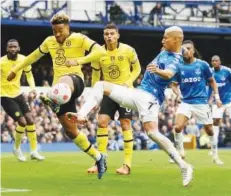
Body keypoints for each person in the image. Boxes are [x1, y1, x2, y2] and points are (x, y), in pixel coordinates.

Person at [66, 26, 194, 187]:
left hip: (150, 98)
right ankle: (82, 115)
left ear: (175, 40)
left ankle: (184, 166)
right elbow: (180, 44)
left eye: (165, 37)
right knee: (100, 85)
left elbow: (169, 73)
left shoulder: (175, 59)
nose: (162, 40)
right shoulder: (170, 49)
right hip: (139, 94)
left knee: (152, 133)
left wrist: (159, 71)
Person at [7, 13, 107, 179]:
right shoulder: (49, 41)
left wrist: (80, 60)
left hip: (75, 82)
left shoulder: (79, 38)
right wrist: (15, 69)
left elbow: (100, 52)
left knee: (62, 84)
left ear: (67, 27)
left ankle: (53, 99)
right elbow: (33, 56)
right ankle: (98, 157)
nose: (57, 34)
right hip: (60, 90)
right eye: (55, 31)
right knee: (70, 130)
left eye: (60, 30)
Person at [86, 24, 141, 175]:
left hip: (125, 92)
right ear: (103, 36)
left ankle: (127, 165)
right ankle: (100, 162)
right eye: (106, 34)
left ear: (117, 35)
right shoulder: (98, 53)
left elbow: (137, 69)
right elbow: (96, 76)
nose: (109, 36)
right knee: (102, 121)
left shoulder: (128, 50)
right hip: (109, 92)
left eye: (112, 33)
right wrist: (94, 95)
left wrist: (129, 82)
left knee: (125, 124)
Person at [170, 40, 224, 165]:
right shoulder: (178, 66)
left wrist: (217, 97)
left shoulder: (202, 65)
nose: (186, 51)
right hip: (186, 102)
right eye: (183, 49)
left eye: (189, 48)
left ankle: (215, 156)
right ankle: (180, 153)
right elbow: (174, 85)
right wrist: (177, 94)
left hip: (201, 102)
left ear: (193, 50)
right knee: (177, 127)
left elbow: (212, 82)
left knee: (209, 130)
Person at [1, 39, 44, 161]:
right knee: (22, 122)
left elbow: (29, 75)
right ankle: (16, 148)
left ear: (18, 48)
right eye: (10, 47)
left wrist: (33, 89)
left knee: (30, 119)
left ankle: (34, 151)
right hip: (4, 96)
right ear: (7, 49)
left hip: (18, 94)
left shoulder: (24, 60)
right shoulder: (1, 62)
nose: (12, 49)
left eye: (15, 47)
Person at [210, 55, 231, 155]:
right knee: (215, 121)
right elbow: (209, 87)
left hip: (230, 100)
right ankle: (214, 148)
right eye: (213, 61)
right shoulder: (210, 72)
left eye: (216, 61)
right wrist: (207, 100)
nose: (214, 62)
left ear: (220, 61)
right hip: (218, 101)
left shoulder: (227, 71)